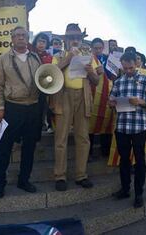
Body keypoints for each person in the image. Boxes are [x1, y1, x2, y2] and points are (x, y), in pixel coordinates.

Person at [0, 26, 42, 198]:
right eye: (17, 35)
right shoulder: (3, 59)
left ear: (27, 38)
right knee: (4, 147)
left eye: (23, 35)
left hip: (33, 107)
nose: (20, 38)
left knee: (29, 147)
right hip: (12, 107)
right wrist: (0, 107)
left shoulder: (35, 58)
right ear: (12, 39)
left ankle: (24, 180)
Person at [50, 23, 99, 191]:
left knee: (83, 137)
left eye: (78, 38)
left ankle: (81, 175)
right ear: (66, 40)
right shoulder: (58, 55)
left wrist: (91, 72)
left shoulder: (89, 55)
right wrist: (69, 58)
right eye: (72, 38)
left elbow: (97, 81)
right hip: (64, 96)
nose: (75, 40)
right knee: (61, 137)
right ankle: (60, 176)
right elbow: (52, 73)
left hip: (83, 97)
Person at [109, 52, 146, 208]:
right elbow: (111, 99)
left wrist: (140, 101)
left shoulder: (145, 80)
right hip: (122, 126)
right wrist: (111, 103)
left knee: (140, 160)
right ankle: (125, 189)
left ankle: (139, 193)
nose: (128, 71)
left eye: (130, 67)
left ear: (136, 64)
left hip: (139, 127)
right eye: (125, 68)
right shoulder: (118, 81)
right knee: (124, 160)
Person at [89, 38, 117, 159]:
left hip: (106, 93)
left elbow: (114, 76)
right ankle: (88, 153)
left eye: (100, 48)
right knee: (90, 120)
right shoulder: (87, 59)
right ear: (91, 48)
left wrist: (104, 71)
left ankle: (105, 151)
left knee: (107, 119)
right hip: (91, 93)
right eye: (96, 48)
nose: (98, 50)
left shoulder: (109, 59)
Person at [32, 32, 54, 132]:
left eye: (44, 42)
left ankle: (42, 125)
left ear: (47, 44)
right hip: (30, 87)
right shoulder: (30, 54)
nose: (41, 44)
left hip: (42, 87)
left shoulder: (49, 57)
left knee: (41, 107)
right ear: (35, 42)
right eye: (39, 41)